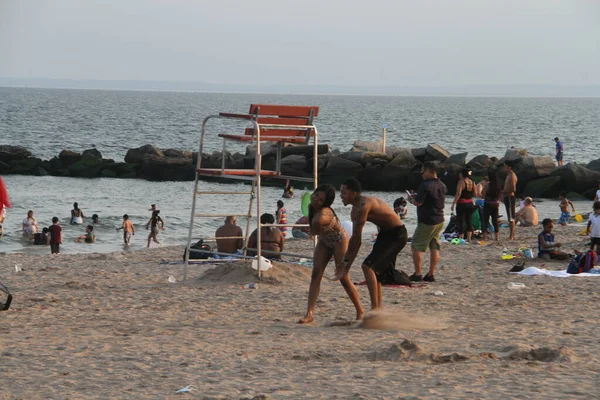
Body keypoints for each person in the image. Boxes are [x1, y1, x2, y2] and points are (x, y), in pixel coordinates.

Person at [335, 179, 408, 310]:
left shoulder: (364, 205)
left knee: (368, 267)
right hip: (385, 234)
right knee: (377, 273)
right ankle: (378, 309)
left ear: (353, 193)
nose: (340, 196)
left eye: (343, 192)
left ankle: (374, 310)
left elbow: (357, 240)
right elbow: (355, 241)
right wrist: (346, 264)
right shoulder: (354, 211)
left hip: (398, 235)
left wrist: (345, 265)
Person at [298, 184, 364, 324]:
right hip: (324, 240)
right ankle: (309, 313)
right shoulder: (311, 207)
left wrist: (317, 221)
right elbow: (315, 232)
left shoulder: (324, 214)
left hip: (339, 240)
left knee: (343, 277)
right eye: (316, 195)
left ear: (325, 203)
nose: (316, 199)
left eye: (320, 199)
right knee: (316, 274)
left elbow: (316, 227)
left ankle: (360, 311)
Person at [407, 162, 447, 282]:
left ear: (429, 171)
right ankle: (430, 274)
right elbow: (433, 198)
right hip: (439, 219)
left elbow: (418, 203)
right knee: (434, 245)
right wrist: (418, 196)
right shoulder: (442, 185)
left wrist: (411, 199)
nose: (421, 174)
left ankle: (418, 273)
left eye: (423, 171)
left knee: (416, 246)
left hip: (427, 220)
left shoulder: (425, 185)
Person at [451, 168, 477, 242]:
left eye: (460, 173)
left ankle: (461, 239)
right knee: (469, 220)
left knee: (461, 221)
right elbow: (475, 193)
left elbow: (458, 193)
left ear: (462, 174)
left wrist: (453, 204)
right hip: (470, 203)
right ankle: (469, 239)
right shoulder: (472, 182)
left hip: (462, 204)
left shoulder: (461, 182)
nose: (459, 175)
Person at [481, 169, 502, 241]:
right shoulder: (498, 186)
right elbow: (500, 196)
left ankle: (484, 237)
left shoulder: (487, 185)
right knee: (495, 221)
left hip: (488, 204)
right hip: (495, 204)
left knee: (485, 220)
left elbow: (483, 195)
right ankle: (497, 237)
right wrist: (498, 201)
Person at [502, 161, 518, 240]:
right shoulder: (508, 175)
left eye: (505, 166)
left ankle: (511, 236)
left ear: (510, 167)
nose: (503, 168)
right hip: (506, 197)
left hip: (509, 197)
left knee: (511, 217)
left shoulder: (512, 175)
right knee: (509, 216)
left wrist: (504, 192)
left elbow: (513, 188)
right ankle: (511, 235)